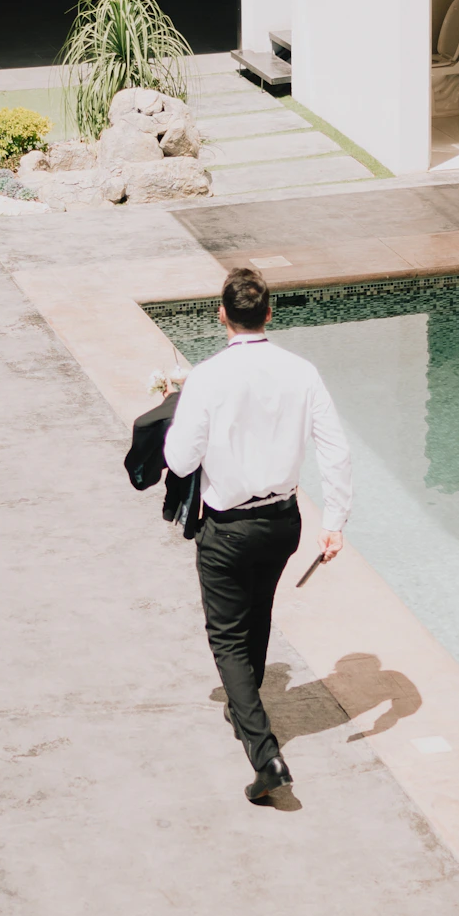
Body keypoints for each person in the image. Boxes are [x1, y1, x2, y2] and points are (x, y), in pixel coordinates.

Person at [163, 264, 353, 806]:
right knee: (260, 612)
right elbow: (335, 449)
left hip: (227, 526)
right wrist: (334, 522)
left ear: (222, 315)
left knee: (225, 635)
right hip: (283, 522)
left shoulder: (208, 376)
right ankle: (245, 709)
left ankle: (264, 751)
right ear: (269, 314)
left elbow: (179, 460)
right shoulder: (302, 371)